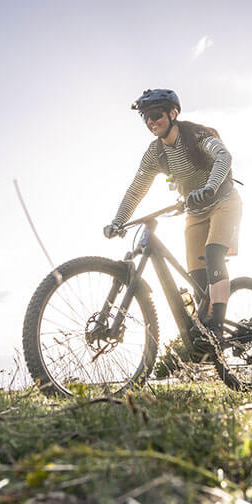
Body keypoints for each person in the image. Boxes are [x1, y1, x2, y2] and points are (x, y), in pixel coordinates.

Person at [104, 88, 241, 345]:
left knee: (213, 255)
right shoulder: (155, 153)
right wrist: (118, 221)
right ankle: (205, 331)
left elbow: (224, 156)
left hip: (224, 202)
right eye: (145, 117)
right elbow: (137, 188)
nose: (151, 122)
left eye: (156, 114)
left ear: (173, 113)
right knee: (198, 279)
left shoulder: (196, 135)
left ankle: (217, 329)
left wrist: (209, 187)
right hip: (194, 211)